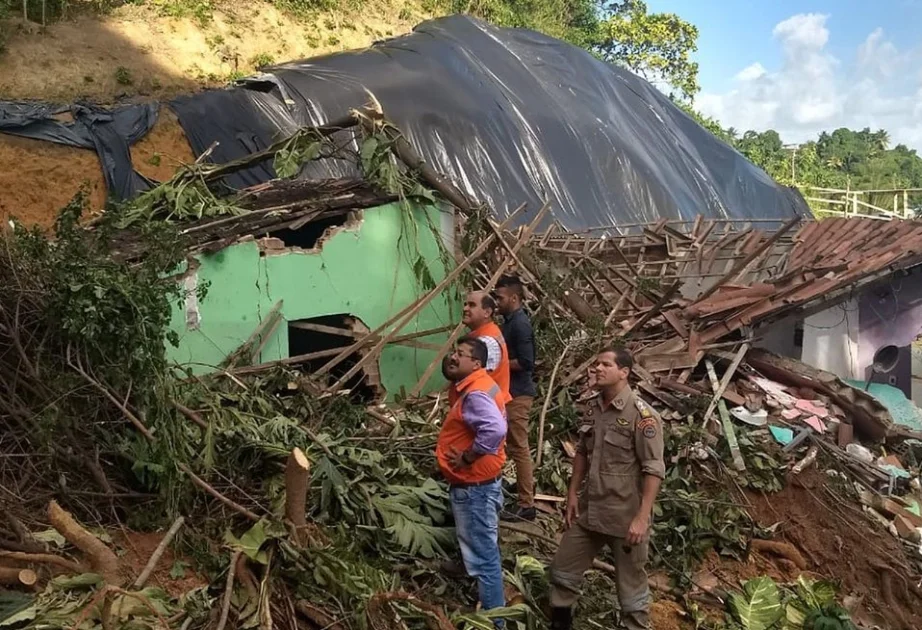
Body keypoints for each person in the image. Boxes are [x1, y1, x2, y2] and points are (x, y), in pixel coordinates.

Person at [548, 348, 665, 630]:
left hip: (625, 519)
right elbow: (582, 454)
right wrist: (572, 493)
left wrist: (641, 518)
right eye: (596, 364)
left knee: (632, 592)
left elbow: (654, 469)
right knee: (562, 570)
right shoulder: (593, 408)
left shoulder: (643, 415)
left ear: (623, 372)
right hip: (591, 511)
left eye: (606, 364)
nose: (597, 369)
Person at [436, 336, 508, 615]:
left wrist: (467, 457)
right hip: (483, 482)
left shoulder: (476, 393)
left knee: (485, 556)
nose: (454, 357)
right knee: (481, 546)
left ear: (476, 363)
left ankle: (494, 617)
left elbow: (495, 430)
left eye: (461, 354)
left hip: (475, 486)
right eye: (454, 351)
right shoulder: (481, 385)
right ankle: (476, 583)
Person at [494, 275, 537, 521]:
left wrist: (496, 365)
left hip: (519, 394)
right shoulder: (510, 322)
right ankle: (519, 491)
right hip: (510, 392)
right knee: (511, 445)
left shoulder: (520, 324)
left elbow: (527, 362)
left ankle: (526, 504)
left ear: (514, 297)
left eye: (500, 298)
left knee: (519, 448)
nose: (497, 302)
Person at [453, 291, 510, 403]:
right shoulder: (483, 334)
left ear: (487, 312)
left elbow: (472, 378)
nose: (465, 309)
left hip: (486, 408)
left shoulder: (487, 342)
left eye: (472, 305)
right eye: (465, 304)